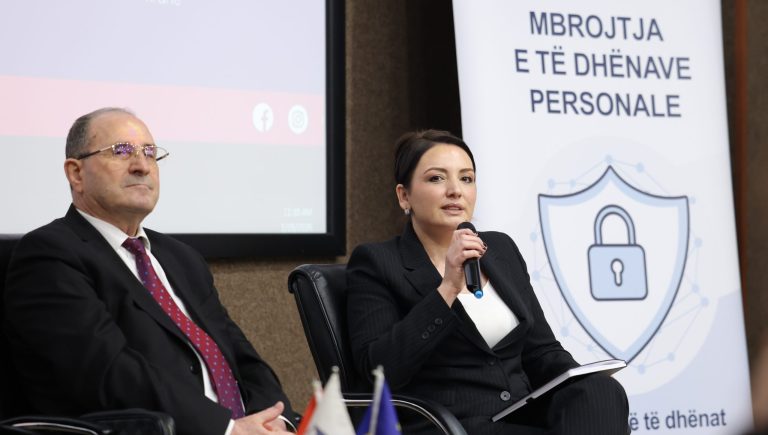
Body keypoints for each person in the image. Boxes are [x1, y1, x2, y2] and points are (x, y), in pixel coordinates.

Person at [3, 108, 297, 435]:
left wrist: (276, 419)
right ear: (76, 173)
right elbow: (109, 375)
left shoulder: (181, 258)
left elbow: (241, 358)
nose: (142, 166)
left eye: (149, 153)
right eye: (121, 151)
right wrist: (227, 429)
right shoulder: (50, 255)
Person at [346, 129, 630, 434]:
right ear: (404, 196)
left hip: (519, 412)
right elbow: (380, 371)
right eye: (437, 178)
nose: (455, 190)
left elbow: (541, 351)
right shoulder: (377, 262)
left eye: (466, 178)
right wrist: (447, 289)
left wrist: (578, 383)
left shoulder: (499, 249)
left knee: (601, 392)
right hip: (451, 424)